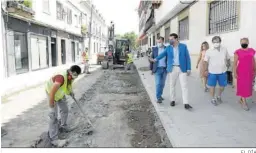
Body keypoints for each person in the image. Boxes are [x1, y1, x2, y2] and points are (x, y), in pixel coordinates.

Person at [150, 33, 192, 110]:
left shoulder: (183, 46)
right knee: (172, 85)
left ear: (176, 39)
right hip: (172, 69)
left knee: (184, 86)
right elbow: (162, 54)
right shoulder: (168, 48)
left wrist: (189, 68)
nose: (170, 40)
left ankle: (186, 103)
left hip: (182, 68)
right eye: (169, 39)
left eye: (171, 39)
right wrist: (155, 59)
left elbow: (187, 58)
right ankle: (172, 100)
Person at [45, 65, 81, 147]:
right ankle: (54, 140)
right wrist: (51, 102)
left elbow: (68, 85)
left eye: (76, 76)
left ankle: (63, 126)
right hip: (52, 94)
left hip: (60, 94)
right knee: (53, 116)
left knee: (65, 110)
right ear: (70, 72)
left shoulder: (70, 77)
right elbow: (52, 91)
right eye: (74, 75)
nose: (74, 77)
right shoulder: (60, 78)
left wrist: (70, 92)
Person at [203, 36, 230, 106]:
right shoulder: (209, 51)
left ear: (220, 42)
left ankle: (218, 96)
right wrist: (205, 70)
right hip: (212, 72)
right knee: (212, 86)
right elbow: (205, 61)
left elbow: (228, 58)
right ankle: (213, 98)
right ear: (212, 42)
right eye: (214, 42)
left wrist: (228, 63)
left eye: (217, 41)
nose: (216, 43)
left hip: (222, 71)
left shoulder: (224, 49)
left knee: (222, 87)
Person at [233, 38, 256, 111]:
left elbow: (253, 60)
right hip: (241, 72)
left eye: (245, 42)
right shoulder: (238, 52)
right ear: (240, 43)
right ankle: (244, 103)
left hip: (250, 71)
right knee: (243, 86)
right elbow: (235, 63)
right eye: (242, 42)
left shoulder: (252, 50)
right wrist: (234, 72)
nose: (244, 43)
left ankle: (241, 99)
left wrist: (255, 70)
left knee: (248, 86)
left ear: (248, 42)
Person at [149, 36, 167, 103]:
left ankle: (160, 95)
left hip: (165, 69)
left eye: (159, 42)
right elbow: (151, 59)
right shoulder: (154, 49)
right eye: (157, 42)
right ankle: (158, 97)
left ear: (162, 41)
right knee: (158, 83)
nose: (158, 43)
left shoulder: (166, 48)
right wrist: (151, 69)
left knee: (162, 84)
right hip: (157, 69)